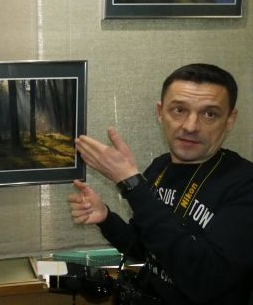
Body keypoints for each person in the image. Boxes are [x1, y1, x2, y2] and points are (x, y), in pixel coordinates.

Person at [69, 64, 253, 305]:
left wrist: (132, 184)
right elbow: (144, 249)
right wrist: (105, 218)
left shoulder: (244, 183)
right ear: (160, 112)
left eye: (209, 114)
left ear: (230, 120)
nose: (190, 126)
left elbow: (205, 281)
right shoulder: (160, 167)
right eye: (179, 110)